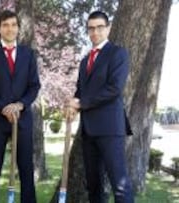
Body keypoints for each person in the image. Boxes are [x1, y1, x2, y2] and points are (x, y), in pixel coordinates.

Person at [66, 11, 134, 203]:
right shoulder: (84, 61)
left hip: (110, 129)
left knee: (120, 186)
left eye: (99, 27)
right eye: (91, 28)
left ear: (108, 28)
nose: (95, 32)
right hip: (89, 131)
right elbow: (80, 91)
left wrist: (81, 103)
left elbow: (114, 88)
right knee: (94, 186)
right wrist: (73, 105)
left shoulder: (118, 53)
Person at [0, 10, 40, 203]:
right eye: (5, 25)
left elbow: (34, 85)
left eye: (13, 24)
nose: (10, 28)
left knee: (26, 170)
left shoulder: (29, 55)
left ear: (18, 28)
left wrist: (19, 105)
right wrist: (4, 107)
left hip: (22, 119)